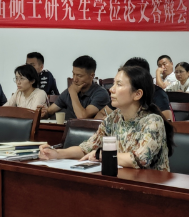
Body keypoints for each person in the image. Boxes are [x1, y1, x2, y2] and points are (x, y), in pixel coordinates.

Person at [38, 64, 173, 170]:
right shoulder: (113, 118)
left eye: (119, 84)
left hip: (152, 186)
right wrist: (57, 153)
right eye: (114, 84)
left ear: (137, 94)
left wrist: (101, 155)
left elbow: (140, 159)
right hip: (122, 180)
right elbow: (88, 147)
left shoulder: (153, 121)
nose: (111, 89)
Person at [39, 55, 111, 120]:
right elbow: (50, 111)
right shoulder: (69, 91)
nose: (75, 79)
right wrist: (44, 112)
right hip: (67, 129)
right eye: (73, 74)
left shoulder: (100, 93)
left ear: (92, 76)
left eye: (79, 76)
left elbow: (82, 117)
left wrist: (73, 93)